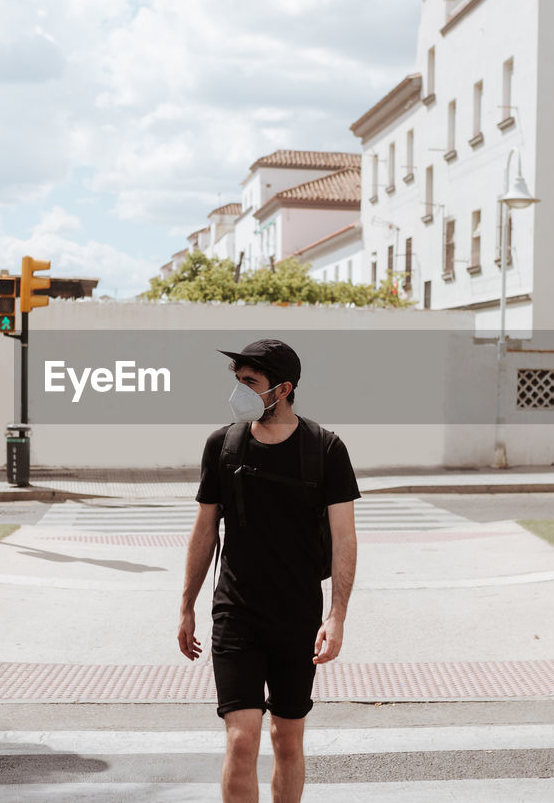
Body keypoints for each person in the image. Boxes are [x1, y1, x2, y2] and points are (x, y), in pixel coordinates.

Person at [178, 338, 359, 803]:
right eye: (237, 381)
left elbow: (344, 537)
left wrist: (336, 616)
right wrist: (186, 607)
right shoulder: (222, 445)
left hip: (297, 615)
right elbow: (204, 532)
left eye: (249, 383)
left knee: (286, 739)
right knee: (242, 741)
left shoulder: (326, 449)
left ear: (282, 389)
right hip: (236, 613)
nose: (239, 392)